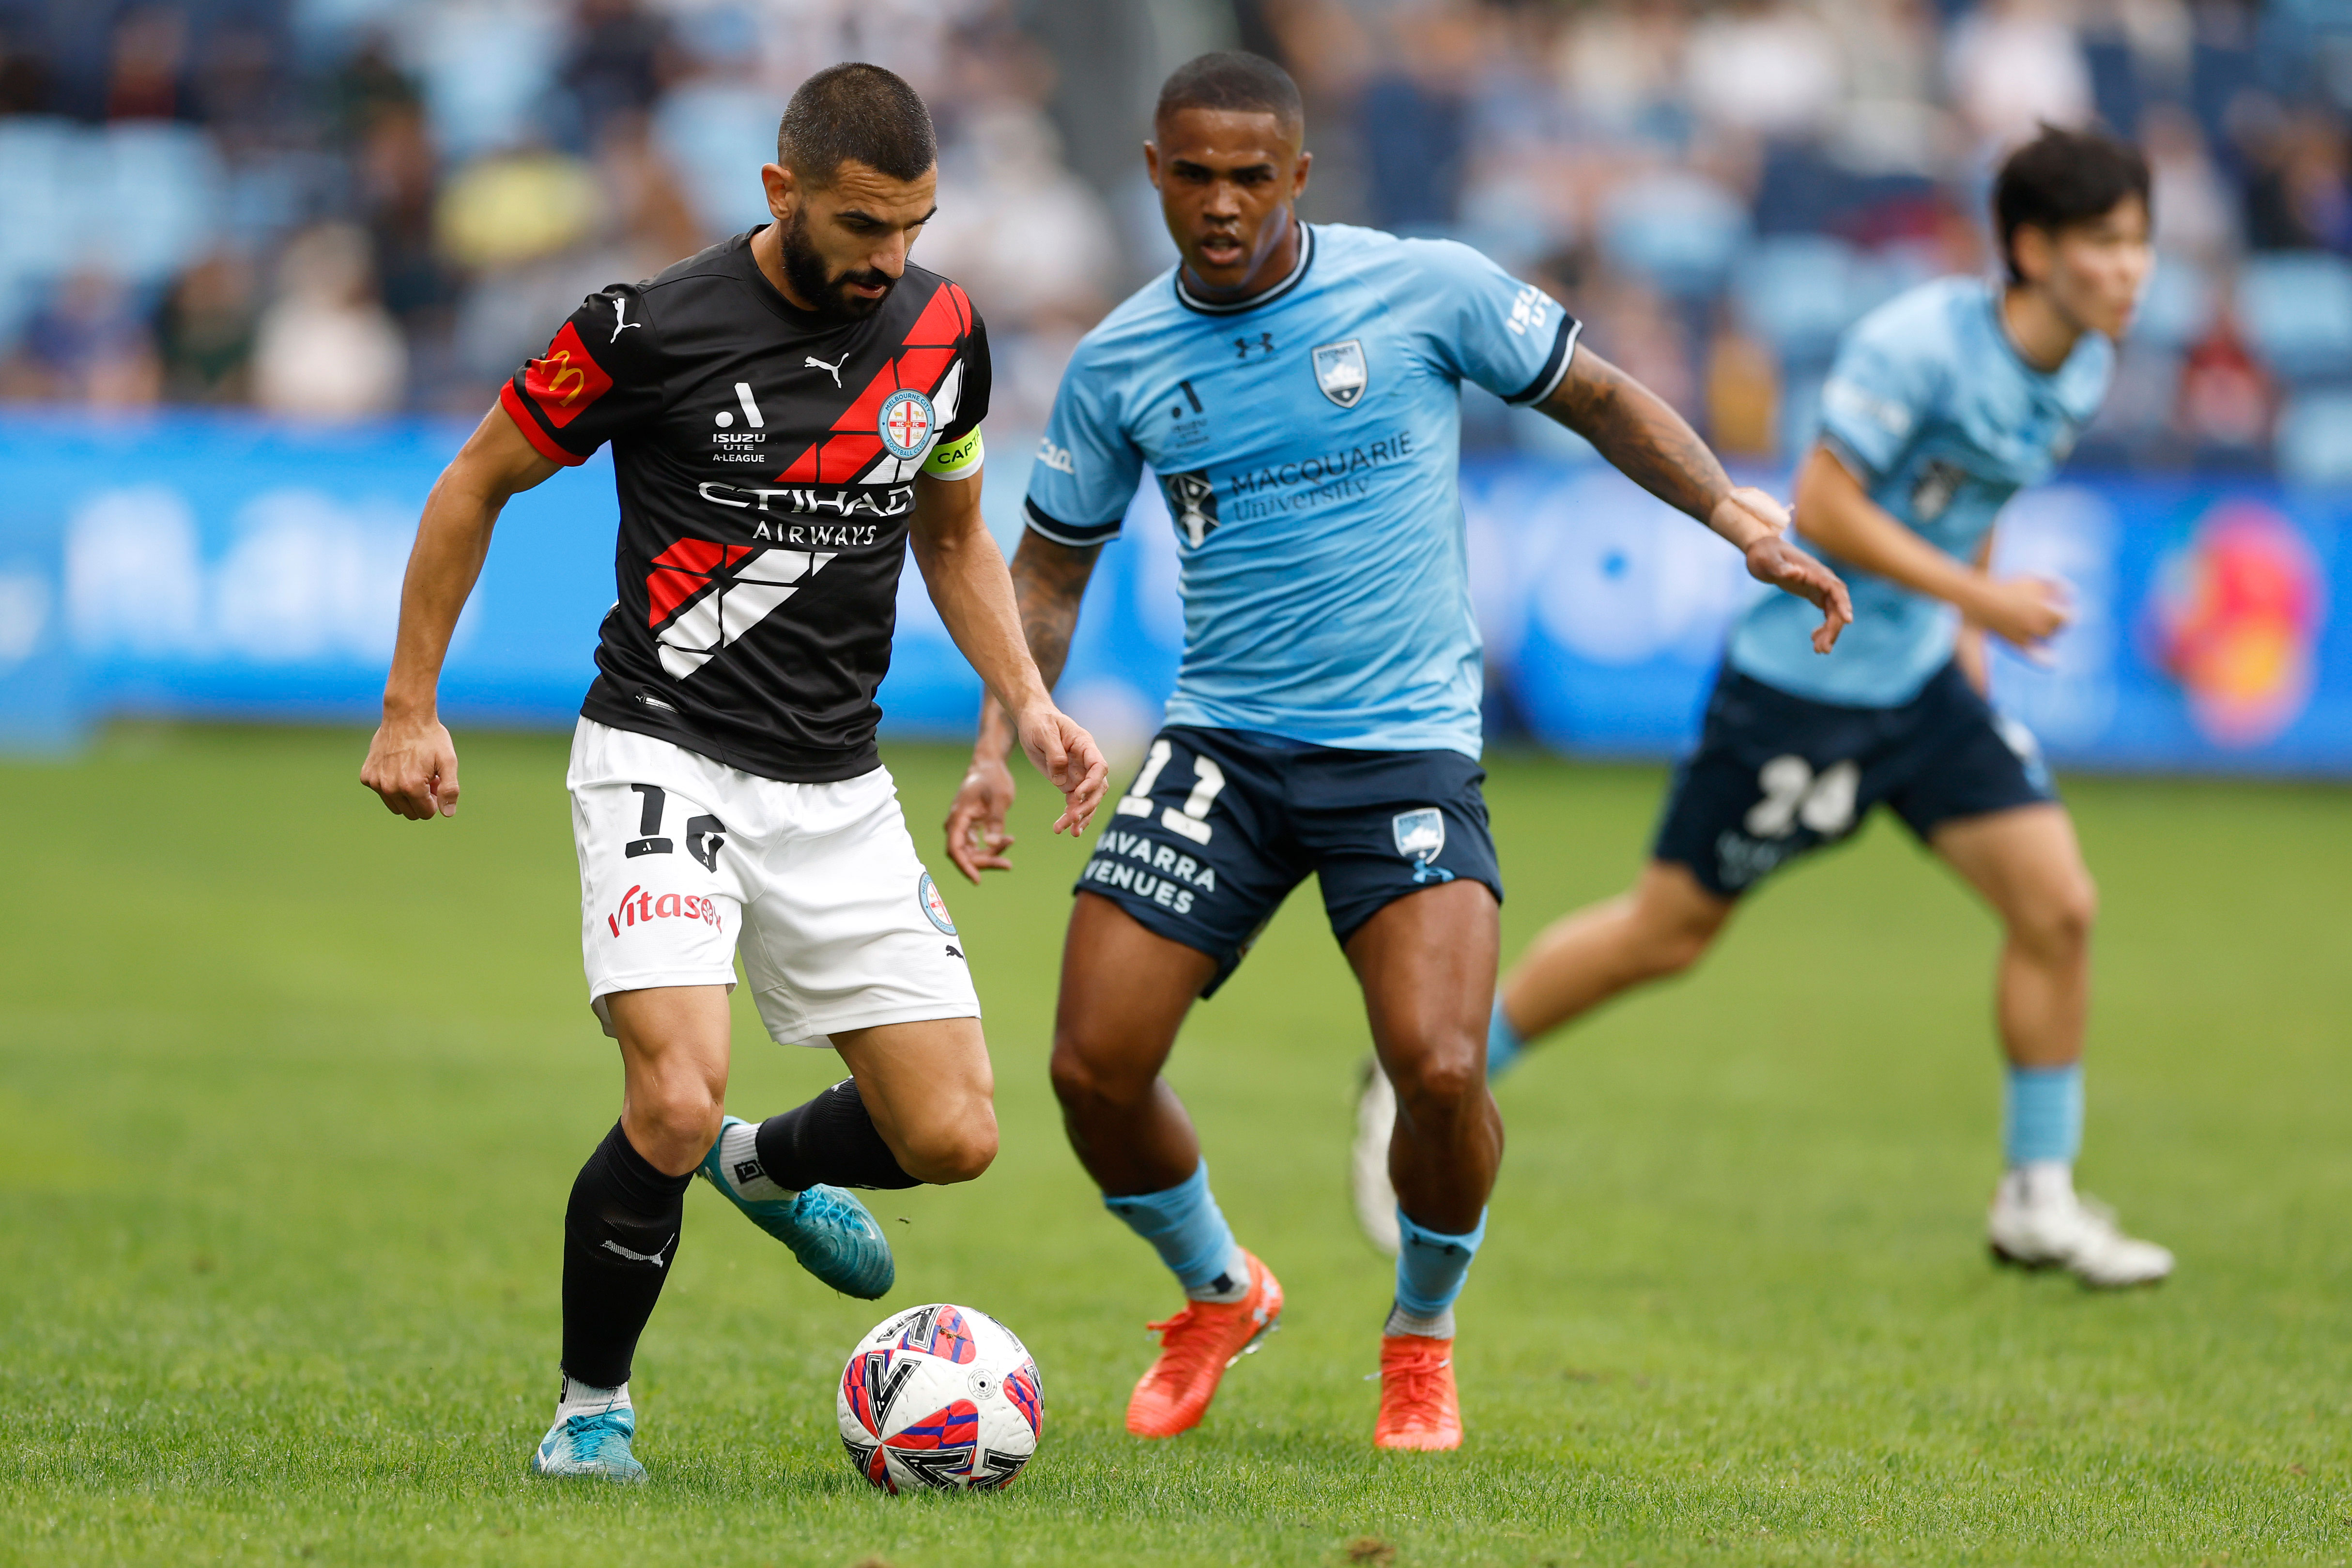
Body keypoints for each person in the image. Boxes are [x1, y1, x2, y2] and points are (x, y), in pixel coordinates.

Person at [942, 52, 1850, 1452]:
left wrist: (1737, 518)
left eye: (1253, 176)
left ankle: (1420, 1334)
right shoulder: (1120, 361)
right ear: (1154, 172)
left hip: (1402, 750)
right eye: (1197, 176)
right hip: (1223, 746)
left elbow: (1600, 398)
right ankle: (1218, 1289)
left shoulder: (1424, 288)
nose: (1223, 203)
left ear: (1299, 175)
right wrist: (1000, 742)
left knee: (1437, 1068)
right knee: (1090, 1066)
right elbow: (1049, 574)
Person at [360, 62, 1107, 1483]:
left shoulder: (944, 330)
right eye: (861, 225)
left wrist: (1026, 700)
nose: (889, 257)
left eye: (913, 225)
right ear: (781, 191)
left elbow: (953, 534)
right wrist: (412, 706)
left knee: (952, 1132)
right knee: (670, 1093)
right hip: (664, 749)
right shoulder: (643, 328)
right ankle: (592, 1412)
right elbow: (474, 480)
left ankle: (755, 1164)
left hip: (838, 781)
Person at [1351, 124, 2174, 1291]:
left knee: (2057, 906)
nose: (2133, 268)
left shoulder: (2080, 363)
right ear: (2034, 250)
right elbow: (1823, 510)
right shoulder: (1917, 347)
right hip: (1800, 690)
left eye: (2140, 242)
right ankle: (1422, 1075)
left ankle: (2036, 1197)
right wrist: (1979, 600)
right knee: (1664, 933)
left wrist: (1966, 647)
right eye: (2107, 242)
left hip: (1919, 688)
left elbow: (1976, 494)